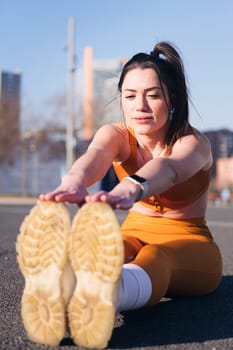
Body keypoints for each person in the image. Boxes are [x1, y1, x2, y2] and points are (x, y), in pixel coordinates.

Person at [17, 41, 222, 349]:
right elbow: (96, 156)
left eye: (153, 95)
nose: (140, 106)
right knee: (103, 250)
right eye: (130, 96)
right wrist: (73, 181)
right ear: (121, 99)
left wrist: (132, 187)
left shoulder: (193, 143)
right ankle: (64, 290)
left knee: (156, 257)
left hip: (191, 246)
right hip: (133, 234)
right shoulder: (115, 133)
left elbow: (169, 169)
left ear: (173, 98)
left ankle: (104, 296)